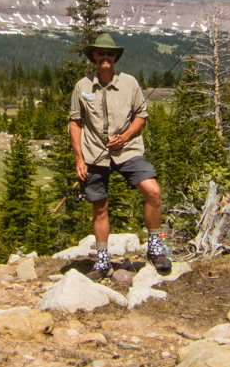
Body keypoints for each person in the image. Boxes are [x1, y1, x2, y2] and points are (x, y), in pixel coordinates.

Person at [68, 32, 172, 280]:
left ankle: (156, 248)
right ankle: (103, 261)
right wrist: (79, 159)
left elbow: (141, 116)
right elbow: (75, 123)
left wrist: (124, 137)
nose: (105, 57)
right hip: (94, 154)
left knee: (153, 191)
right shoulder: (82, 86)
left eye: (110, 53)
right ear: (94, 55)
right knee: (99, 208)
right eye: (101, 53)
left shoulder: (130, 83)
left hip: (128, 150)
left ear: (116, 56)